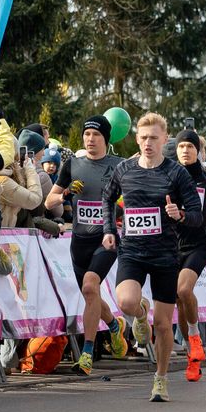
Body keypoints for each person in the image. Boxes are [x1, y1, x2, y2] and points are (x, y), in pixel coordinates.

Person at [101, 112, 203, 402]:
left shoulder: (176, 173)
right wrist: (110, 230)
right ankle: (138, 312)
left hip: (165, 255)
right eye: (143, 137)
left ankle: (160, 378)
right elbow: (107, 199)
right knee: (126, 302)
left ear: (164, 140)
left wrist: (180, 214)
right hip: (132, 250)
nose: (148, 143)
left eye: (153, 138)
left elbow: (198, 215)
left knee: (162, 324)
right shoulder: (124, 169)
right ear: (137, 139)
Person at [45, 116, 128, 377]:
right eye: (87, 135)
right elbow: (49, 202)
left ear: (106, 139)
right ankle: (115, 325)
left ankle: (87, 353)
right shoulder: (73, 164)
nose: (90, 139)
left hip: (106, 239)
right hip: (79, 241)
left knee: (91, 286)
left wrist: (121, 209)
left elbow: (133, 198)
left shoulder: (118, 166)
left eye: (96, 135)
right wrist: (66, 193)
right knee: (90, 295)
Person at [174, 127, 206, 382]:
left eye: (190, 146)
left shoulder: (204, 177)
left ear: (198, 151)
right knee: (179, 301)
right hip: (172, 245)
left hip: (197, 244)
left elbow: (203, 214)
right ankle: (192, 357)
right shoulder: (167, 174)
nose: (186, 151)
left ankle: (194, 335)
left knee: (184, 290)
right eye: (181, 147)